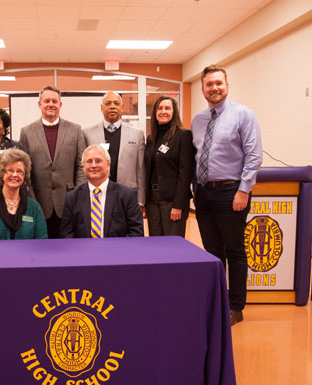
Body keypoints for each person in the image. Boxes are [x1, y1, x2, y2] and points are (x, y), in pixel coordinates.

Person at [191, 64, 263, 326]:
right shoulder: (198, 120)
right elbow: (197, 155)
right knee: (212, 251)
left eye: (219, 83)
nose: (214, 88)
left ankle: (236, 306)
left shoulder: (243, 114)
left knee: (234, 250)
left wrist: (243, 190)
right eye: (209, 84)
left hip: (231, 192)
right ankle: (218, 299)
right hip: (204, 194)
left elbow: (254, 156)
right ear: (202, 89)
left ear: (227, 85)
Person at [19, 85, 86, 238]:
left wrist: (77, 195)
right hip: (38, 201)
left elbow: (81, 166)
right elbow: (24, 170)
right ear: (39, 104)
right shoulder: (26, 132)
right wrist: (31, 200)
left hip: (69, 201)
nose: (51, 104)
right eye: (47, 101)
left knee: (68, 248)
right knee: (41, 248)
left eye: (55, 101)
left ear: (60, 105)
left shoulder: (75, 130)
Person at [60, 144, 143, 238]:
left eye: (98, 161)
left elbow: (136, 232)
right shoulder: (72, 198)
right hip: (83, 251)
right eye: (89, 161)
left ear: (107, 165)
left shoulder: (127, 195)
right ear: (83, 167)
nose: (93, 165)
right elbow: (66, 234)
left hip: (117, 251)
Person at [83, 91, 146, 211]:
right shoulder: (87, 134)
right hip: (97, 195)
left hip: (128, 195)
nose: (112, 106)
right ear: (102, 108)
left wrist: (141, 200)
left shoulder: (137, 134)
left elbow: (141, 170)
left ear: (122, 108)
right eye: (108, 103)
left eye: (116, 103)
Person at [144, 96, 194, 237]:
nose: (163, 111)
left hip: (172, 201)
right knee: (155, 245)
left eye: (167, 108)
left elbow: (185, 173)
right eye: (159, 108)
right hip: (153, 201)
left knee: (173, 246)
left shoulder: (183, 135)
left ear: (174, 112)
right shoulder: (151, 138)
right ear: (154, 112)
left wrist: (178, 204)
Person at [0, 148, 47, 240]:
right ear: (2, 173)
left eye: (19, 171)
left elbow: (42, 241)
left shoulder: (34, 208)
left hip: (27, 254)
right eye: (10, 170)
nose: (15, 175)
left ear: (24, 175)